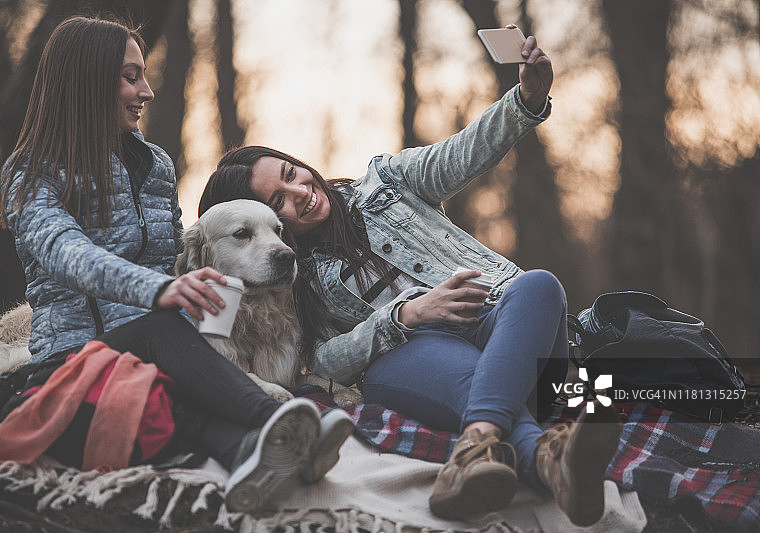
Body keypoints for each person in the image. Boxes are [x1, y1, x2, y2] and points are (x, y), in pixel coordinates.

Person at [197, 29, 621, 526]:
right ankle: (542, 460)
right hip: (423, 359)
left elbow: (463, 152)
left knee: (540, 285)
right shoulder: (295, 280)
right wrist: (403, 316)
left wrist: (526, 98)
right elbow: (321, 361)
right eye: (278, 203)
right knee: (392, 370)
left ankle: (477, 446)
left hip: (503, 331)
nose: (300, 193)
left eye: (291, 174)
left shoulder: (387, 181)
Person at [0, 16, 350, 513]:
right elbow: (66, 254)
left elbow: (177, 262)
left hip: (152, 359)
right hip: (76, 362)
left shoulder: (156, 165)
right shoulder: (31, 172)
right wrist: (160, 293)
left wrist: (213, 301)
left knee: (187, 376)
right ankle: (272, 416)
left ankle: (259, 454)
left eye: (144, 74)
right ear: (88, 79)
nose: (148, 90)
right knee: (162, 326)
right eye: (130, 76)